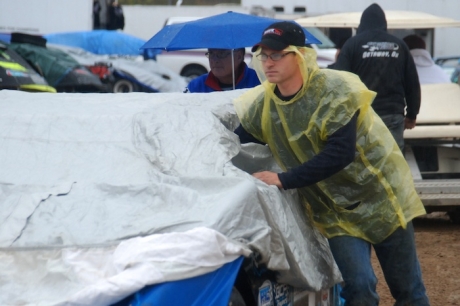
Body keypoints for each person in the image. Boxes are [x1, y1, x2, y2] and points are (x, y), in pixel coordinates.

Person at [233, 21, 430, 305]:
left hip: (380, 197)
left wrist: (283, 179)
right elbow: (236, 140)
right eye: (263, 55)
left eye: (276, 54)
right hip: (335, 212)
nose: (268, 62)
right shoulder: (264, 106)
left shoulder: (333, 90)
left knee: (408, 290)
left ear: (300, 55)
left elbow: (340, 152)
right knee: (359, 288)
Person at [334, 3, 421, 153]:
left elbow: (340, 81)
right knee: (392, 164)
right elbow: (412, 83)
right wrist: (412, 114)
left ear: (362, 24)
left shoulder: (352, 44)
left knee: (362, 163)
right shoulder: (399, 45)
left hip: (360, 117)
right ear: (384, 23)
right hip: (392, 114)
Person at [184, 48, 260, 93]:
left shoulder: (258, 83)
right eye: (211, 53)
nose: (215, 60)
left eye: (222, 54)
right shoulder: (196, 86)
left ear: (239, 56)